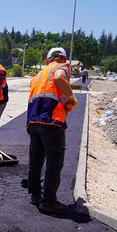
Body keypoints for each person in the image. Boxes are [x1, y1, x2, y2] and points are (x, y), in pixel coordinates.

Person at [27, 47, 78, 214]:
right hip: (51, 122)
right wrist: (71, 96)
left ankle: (35, 195)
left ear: (47, 60)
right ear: (63, 58)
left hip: (34, 121)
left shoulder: (39, 75)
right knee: (54, 163)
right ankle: (48, 202)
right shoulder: (60, 68)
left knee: (36, 161)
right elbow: (59, 78)